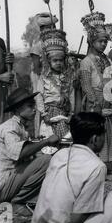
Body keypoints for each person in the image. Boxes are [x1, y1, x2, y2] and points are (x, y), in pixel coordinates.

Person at [31, 112, 112, 223]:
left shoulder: (59, 155)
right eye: (103, 135)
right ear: (95, 139)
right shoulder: (97, 166)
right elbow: (76, 219)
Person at [0, 88, 59, 214]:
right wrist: (47, 141)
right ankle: (17, 201)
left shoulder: (19, 126)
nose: (34, 109)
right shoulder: (10, 127)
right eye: (30, 106)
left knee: (42, 160)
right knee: (46, 160)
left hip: (9, 180)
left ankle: (23, 200)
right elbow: (20, 153)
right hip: (2, 185)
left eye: (34, 105)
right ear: (17, 109)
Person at [80, 11, 112, 168]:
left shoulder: (106, 59)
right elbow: (86, 86)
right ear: (91, 41)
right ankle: (93, 165)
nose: (104, 44)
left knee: (107, 133)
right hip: (94, 103)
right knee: (94, 133)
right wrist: (96, 106)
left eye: (105, 41)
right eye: (100, 41)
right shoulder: (86, 61)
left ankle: (107, 164)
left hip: (107, 100)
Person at [34, 29, 74, 157]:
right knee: (52, 141)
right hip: (50, 113)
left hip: (64, 112)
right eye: (55, 60)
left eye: (60, 60)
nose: (58, 63)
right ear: (49, 61)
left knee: (66, 141)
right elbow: (38, 96)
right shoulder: (44, 78)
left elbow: (71, 95)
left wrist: (71, 113)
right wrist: (43, 113)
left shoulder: (67, 77)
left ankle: (64, 163)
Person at [30, 13, 59, 135]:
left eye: (53, 27)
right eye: (48, 28)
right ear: (42, 30)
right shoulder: (37, 47)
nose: (51, 30)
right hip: (40, 78)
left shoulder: (55, 43)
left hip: (53, 78)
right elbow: (37, 69)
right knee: (41, 106)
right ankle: (39, 136)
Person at [0, 2, 15, 126]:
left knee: (1, 127)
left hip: (0, 92)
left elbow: (7, 73)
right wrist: (0, 77)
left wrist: (9, 62)